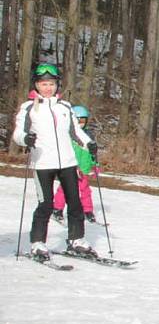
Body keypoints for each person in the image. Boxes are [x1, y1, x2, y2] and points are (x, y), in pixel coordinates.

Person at [12, 63, 98, 260]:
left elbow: (76, 132)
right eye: (43, 84)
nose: (47, 88)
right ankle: (37, 243)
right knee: (46, 204)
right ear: (36, 85)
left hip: (67, 161)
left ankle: (76, 239)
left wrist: (89, 144)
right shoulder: (28, 108)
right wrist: (25, 139)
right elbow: (18, 133)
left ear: (57, 85)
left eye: (51, 84)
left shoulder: (65, 107)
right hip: (42, 163)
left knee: (74, 202)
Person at [52, 105, 98, 224]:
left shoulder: (88, 136)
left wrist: (94, 164)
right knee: (64, 189)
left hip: (84, 168)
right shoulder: (68, 136)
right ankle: (57, 208)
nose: (80, 124)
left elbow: (92, 153)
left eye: (83, 121)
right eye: (77, 121)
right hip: (70, 167)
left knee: (85, 190)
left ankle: (87, 210)